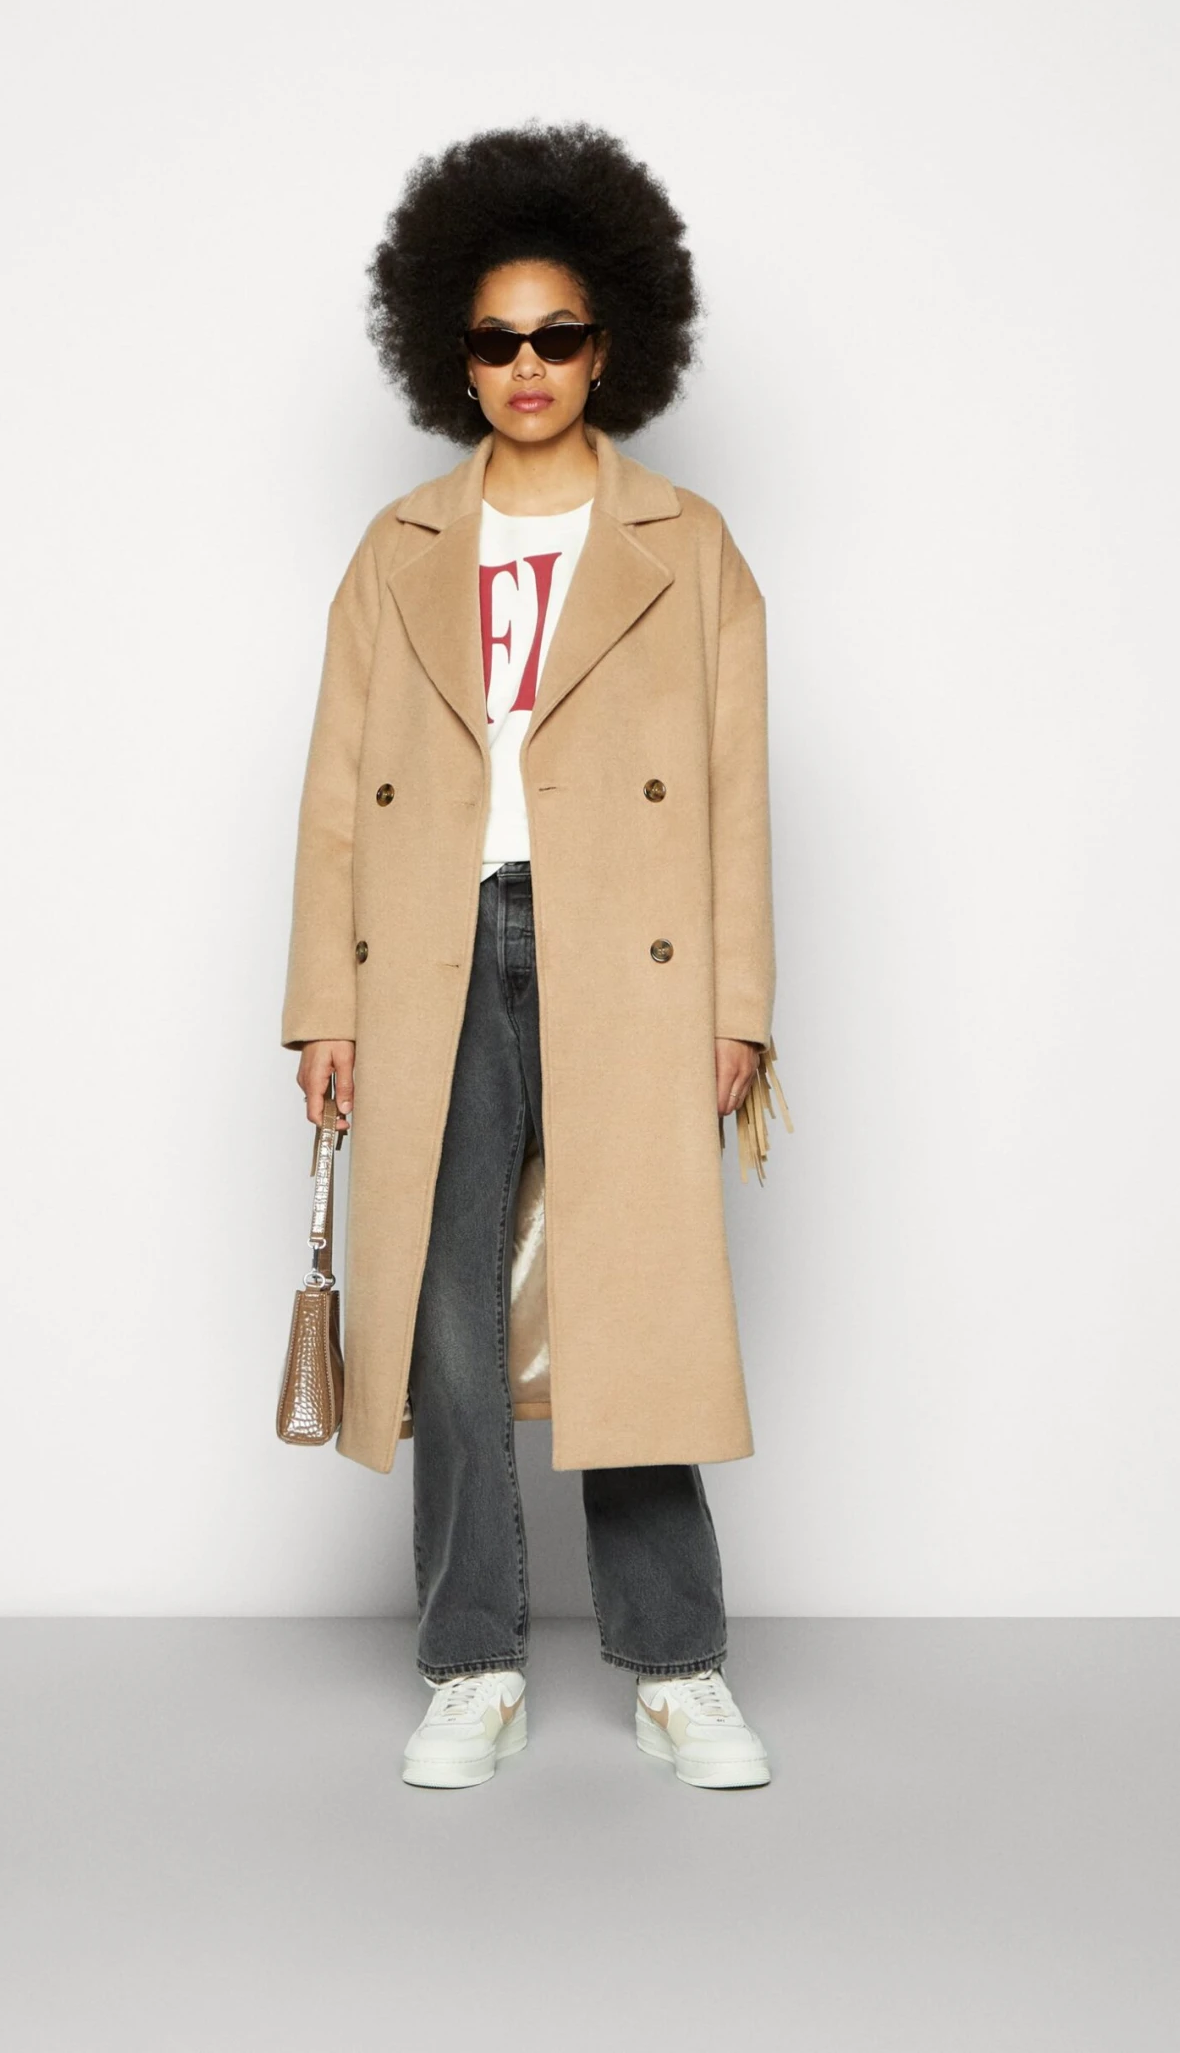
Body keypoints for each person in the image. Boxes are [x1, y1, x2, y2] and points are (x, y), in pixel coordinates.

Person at [280, 122, 788, 1789]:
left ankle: (677, 1663)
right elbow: (335, 797)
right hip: (436, 946)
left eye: (556, 335)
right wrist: (324, 1004)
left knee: (635, 1293)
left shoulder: (690, 548)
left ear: (609, 345)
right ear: (455, 352)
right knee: (446, 1309)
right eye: (496, 338)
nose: (526, 366)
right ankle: (472, 1657)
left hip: (627, 955)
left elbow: (734, 797)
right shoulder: (397, 552)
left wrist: (737, 1006)